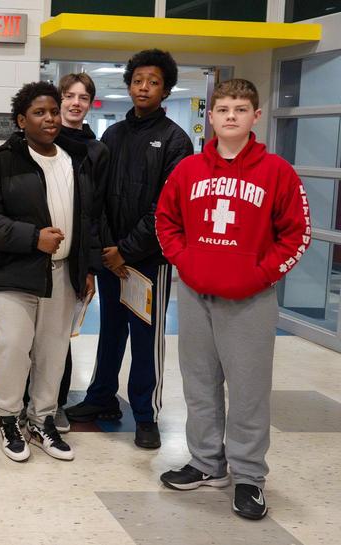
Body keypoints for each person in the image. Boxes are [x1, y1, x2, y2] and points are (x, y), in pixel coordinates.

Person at [155, 78, 310, 520]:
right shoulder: (188, 170)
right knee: (199, 384)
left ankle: (248, 476)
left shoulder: (277, 171)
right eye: (223, 109)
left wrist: (259, 275)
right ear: (211, 116)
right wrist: (187, 263)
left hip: (250, 300)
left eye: (240, 109)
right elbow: (166, 220)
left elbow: (296, 233)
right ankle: (207, 463)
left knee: (248, 391)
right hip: (195, 294)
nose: (230, 116)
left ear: (255, 116)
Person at [65, 49, 193, 450]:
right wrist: (108, 248)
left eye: (153, 82)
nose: (144, 87)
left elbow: (166, 208)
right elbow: (98, 197)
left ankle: (145, 415)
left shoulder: (176, 140)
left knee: (145, 338)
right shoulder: (113, 136)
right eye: (138, 80)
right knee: (110, 331)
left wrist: (127, 251)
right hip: (110, 257)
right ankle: (102, 397)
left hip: (149, 261)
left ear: (165, 90)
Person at [0, 81, 100, 462]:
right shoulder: (0, 162)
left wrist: (86, 267)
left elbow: (89, 218)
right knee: (13, 347)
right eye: (39, 113)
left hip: (63, 273)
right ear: (21, 121)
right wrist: (32, 238)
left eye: (53, 111)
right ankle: (8, 418)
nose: (50, 119)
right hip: (13, 273)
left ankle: (42, 419)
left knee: (53, 350)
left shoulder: (75, 161)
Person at [21, 73, 109, 433]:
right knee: (24, 337)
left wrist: (89, 266)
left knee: (59, 339)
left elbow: (95, 213)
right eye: (68, 96)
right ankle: (23, 403)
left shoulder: (95, 151)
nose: (75, 103)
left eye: (83, 97)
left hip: (70, 258)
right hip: (30, 255)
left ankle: (53, 405)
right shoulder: (32, 142)